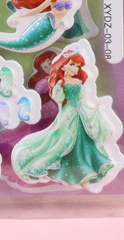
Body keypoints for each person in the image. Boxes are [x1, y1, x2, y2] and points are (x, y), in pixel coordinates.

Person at [12, 50, 116, 187]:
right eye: (72, 64)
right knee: (64, 140)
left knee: (84, 139)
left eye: (77, 66)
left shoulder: (78, 81)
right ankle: (71, 167)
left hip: (80, 111)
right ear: (63, 65)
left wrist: (90, 109)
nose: (75, 68)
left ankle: (89, 165)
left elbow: (81, 99)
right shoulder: (61, 83)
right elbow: (60, 101)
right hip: (68, 113)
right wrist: (58, 93)